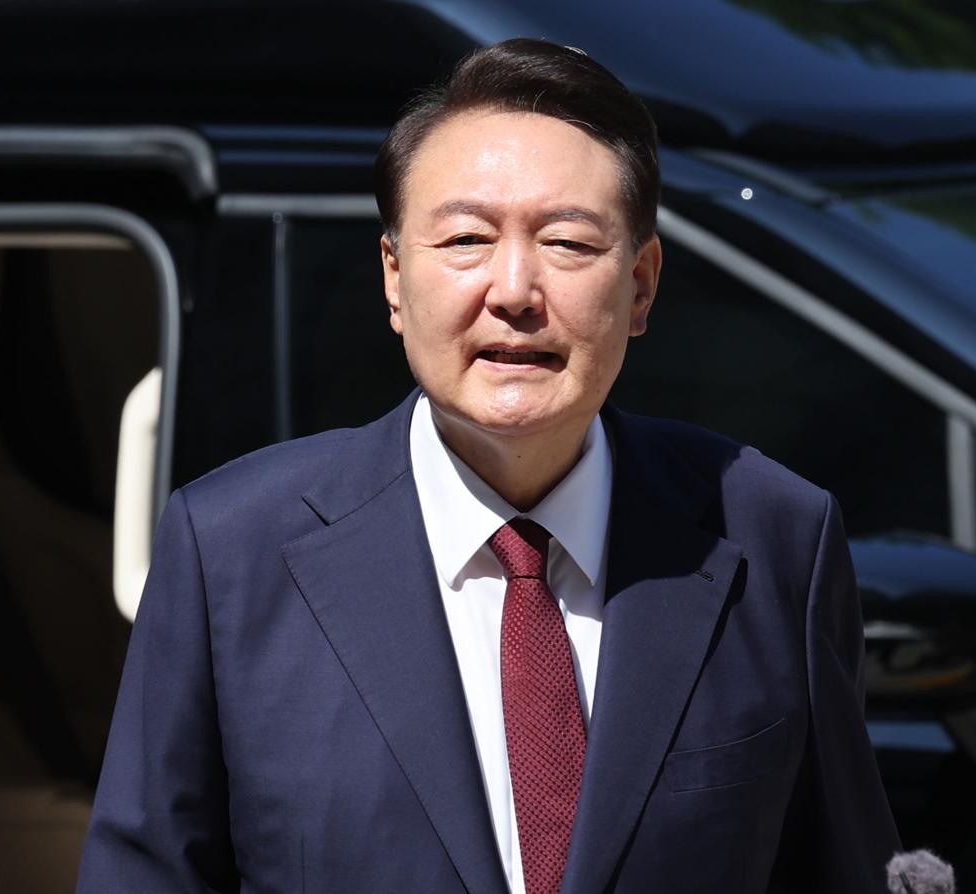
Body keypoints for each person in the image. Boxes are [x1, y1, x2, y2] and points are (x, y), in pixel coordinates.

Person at [77, 38, 901, 893]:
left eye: (567, 243)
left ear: (642, 284)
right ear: (394, 278)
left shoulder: (772, 535)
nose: (513, 290)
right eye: (467, 238)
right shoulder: (229, 549)